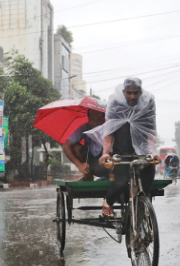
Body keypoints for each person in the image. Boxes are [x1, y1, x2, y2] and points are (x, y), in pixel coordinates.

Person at [93, 77, 159, 218]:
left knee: (147, 184)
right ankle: (107, 202)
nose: (132, 96)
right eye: (129, 93)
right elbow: (109, 130)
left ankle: (142, 210)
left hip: (142, 151)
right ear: (123, 92)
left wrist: (152, 152)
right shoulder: (115, 103)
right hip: (122, 151)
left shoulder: (149, 102)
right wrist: (105, 153)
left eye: (136, 93)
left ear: (141, 92)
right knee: (121, 182)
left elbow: (151, 131)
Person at [62, 109, 109, 181]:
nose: (95, 123)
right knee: (76, 148)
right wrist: (79, 165)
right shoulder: (85, 128)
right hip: (91, 161)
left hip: (106, 162)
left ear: (104, 119)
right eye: (92, 119)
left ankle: (112, 176)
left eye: (99, 119)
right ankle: (88, 175)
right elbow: (66, 146)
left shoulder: (109, 128)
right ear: (88, 119)